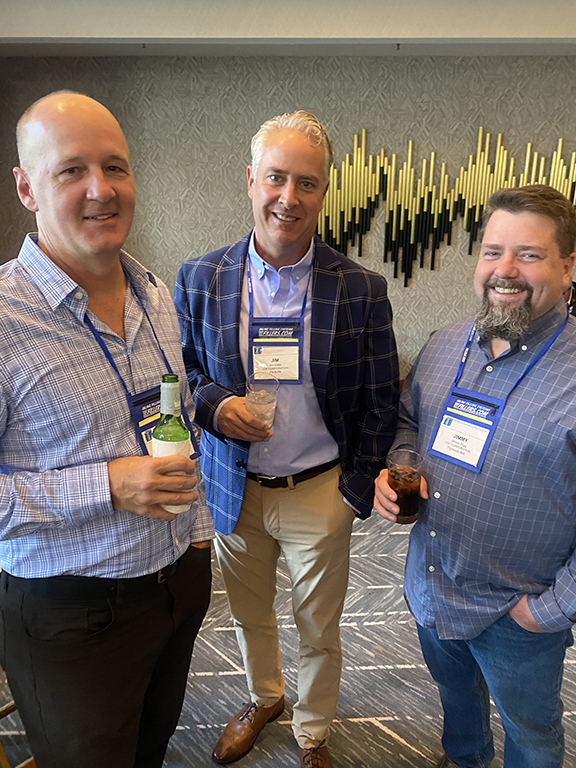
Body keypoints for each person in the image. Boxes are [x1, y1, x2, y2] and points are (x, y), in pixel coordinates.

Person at [175, 110, 398, 768]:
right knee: (249, 613)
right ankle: (263, 697)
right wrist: (216, 407)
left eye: (306, 182)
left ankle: (312, 731)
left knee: (318, 625)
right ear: (250, 179)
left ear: (324, 191)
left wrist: (354, 491)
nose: (288, 197)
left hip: (319, 489)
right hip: (235, 485)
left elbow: (383, 398)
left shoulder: (360, 289)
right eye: (276, 178)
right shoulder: (199, 278)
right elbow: (179, 373)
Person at [0, 91, 214, 768]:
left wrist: (198, 539)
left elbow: (171, 413)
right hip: (71, 615)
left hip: (177, 583)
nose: (102, 189)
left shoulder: (154, 293)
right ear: (26, 188)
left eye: (115, 167)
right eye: (72, 171)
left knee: (150, 749)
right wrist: (106, 486)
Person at [374, 184, 576, 768]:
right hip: (432, 584)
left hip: (518, 612)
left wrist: (547, 611)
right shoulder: (444, 345)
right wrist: (399, 468)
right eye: (492, 251)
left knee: (530, 732)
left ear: (568, 267)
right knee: (456, 698)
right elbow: (409, 422)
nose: (504, 270)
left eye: (528, 255)